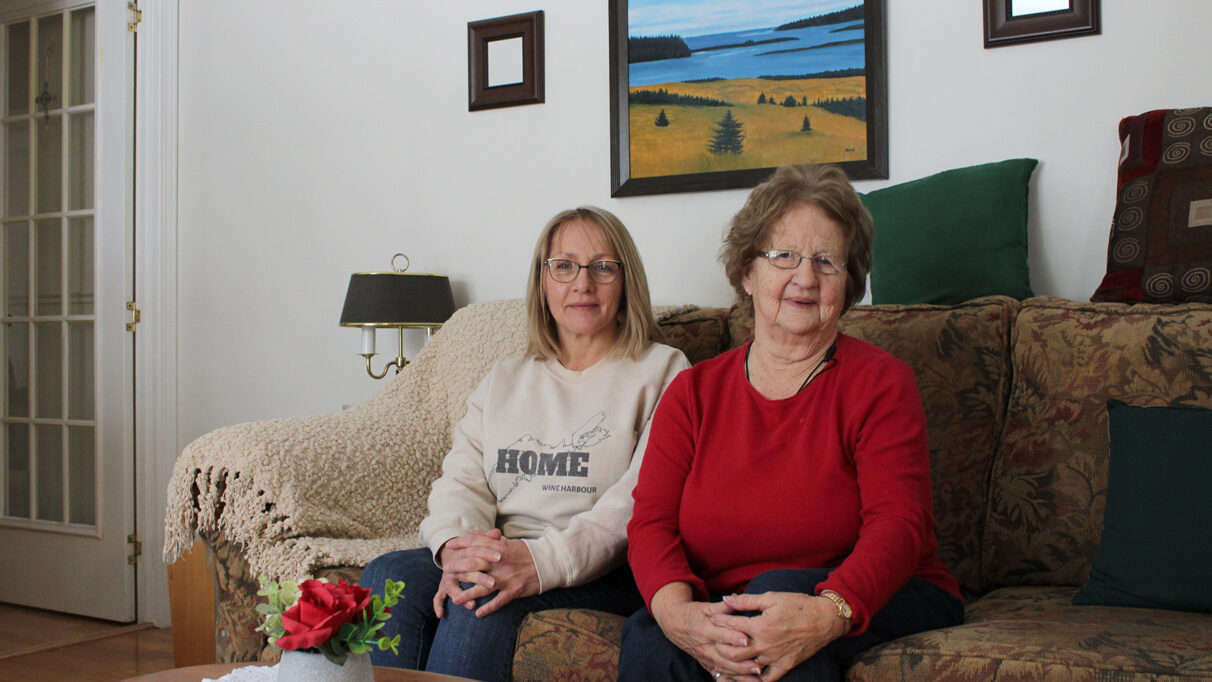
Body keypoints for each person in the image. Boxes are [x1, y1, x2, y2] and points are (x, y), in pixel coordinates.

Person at [619, 165, 964, 682]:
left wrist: (829, 611)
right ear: (746, 273)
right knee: (649, 636)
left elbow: (899, 524)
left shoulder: (881, 383)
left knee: (772, 618)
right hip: (733, 603)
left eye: (826, 261)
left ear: (847, 285)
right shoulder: (693, 392)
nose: (805, 278)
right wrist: (677, 614)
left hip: (884, 591)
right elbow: (651, 524)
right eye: (784, 256)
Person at [360, 206, 690, 681]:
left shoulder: (664, 371)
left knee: (478, 607)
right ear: (542, 281)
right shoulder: (506, 377)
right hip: (501, 548)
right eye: (564, 266)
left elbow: (636, 505)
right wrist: (459, 548)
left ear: (626, 281)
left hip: (600, 569)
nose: (582, 284)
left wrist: (537, 562)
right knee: (388, 576)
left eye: (602, 267)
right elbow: (461, 478)